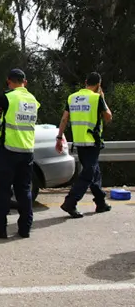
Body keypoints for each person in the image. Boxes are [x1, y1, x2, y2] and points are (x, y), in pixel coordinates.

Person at [0, 68, 40, 239]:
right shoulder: (33, 100)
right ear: (25, 82)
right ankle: (25, 229)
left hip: (8, 150)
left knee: (1, 190)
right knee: (24, 190)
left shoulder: (6, 97)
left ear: (9, 81)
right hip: (27, 150)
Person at [57, 72, 113, 218]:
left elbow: (64, 119)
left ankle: (100, 203)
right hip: (92, 142)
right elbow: (108, 117)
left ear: (85, 82)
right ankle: (70, 202)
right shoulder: (96, 98)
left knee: (94, 172)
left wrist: (59, 137)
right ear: (98, 85)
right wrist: (103, 99)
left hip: (79, 142)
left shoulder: (72, 97)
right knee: (88, 174)